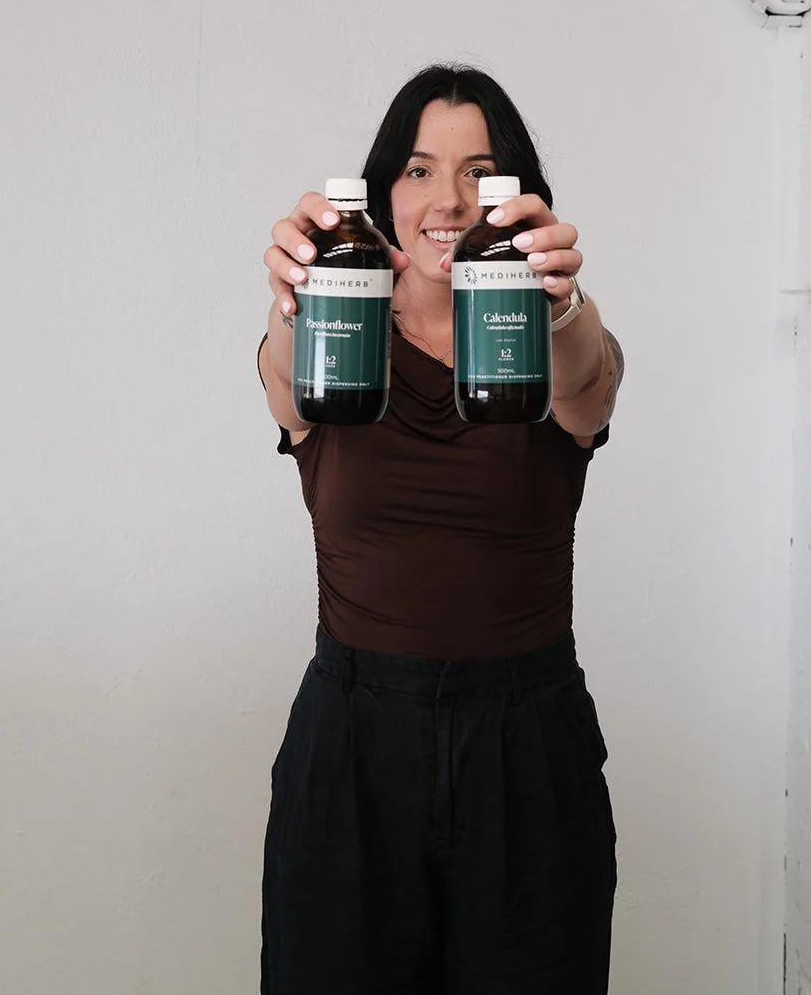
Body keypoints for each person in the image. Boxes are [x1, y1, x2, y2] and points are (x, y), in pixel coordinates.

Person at [257, 64, 624, 994]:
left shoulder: (540, 334)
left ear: (513, 193)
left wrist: (560, 306)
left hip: (527, 743)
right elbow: (281, 377)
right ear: (383, 191)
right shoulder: (336, 333)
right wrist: (296, 294)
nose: (447, 200)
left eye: (477, 170)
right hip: (352, 741)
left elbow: (590, 387)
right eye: (419, 170)